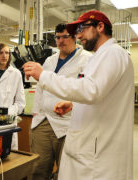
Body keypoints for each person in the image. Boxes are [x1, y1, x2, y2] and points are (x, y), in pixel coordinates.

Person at [23, 10, 134, 180]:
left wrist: (44, 76)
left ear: (100, 26)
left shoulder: (113, 53)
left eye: (82, 28)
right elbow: (101, 93)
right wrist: (74, 104)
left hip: (98, 152)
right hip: (87, 142)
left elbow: (91, 90)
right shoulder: (102, 56)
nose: (79, 34)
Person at [31, 23, 92, 180]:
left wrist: (74, 106)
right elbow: (40, 89)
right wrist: (36, 113)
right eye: (57, 37)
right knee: (38, 168)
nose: (60, 41)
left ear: (74, 37)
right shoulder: (49, 61)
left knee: (66, 171)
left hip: (69, 123)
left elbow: (90, 92)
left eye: (65, 36)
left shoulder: (87, 60)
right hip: (44, 121)